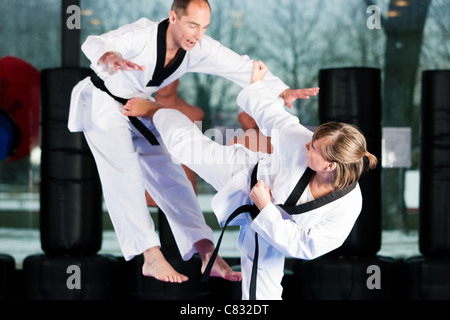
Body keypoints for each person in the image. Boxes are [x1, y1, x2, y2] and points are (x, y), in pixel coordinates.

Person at [69, 0, 319, 283]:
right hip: (101, 103)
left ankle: (205, 251)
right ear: (173, 17)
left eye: (204, 27)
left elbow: (241, 67)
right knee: (123, 175)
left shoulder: (199, 47)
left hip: (138, 105)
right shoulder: (142, 35)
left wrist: (282, 90)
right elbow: (95, 42)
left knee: (171, 175)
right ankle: (150, 256)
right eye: (192, 25)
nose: (197, 34)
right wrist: (111, 58)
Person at [122, 60, 378, 299]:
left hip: (272, 233)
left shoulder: (348, 206)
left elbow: (306, 247)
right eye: (311, 140)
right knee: (185, 149)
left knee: (261, 297)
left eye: (313, 147)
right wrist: (256, 86)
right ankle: (159, 112)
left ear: (330, 165)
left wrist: (266, 208)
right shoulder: (299, 141)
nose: (306, 146)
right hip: (243, 176)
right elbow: (274, 117)